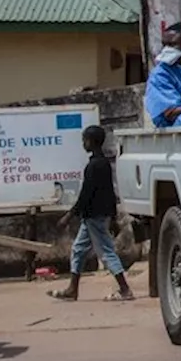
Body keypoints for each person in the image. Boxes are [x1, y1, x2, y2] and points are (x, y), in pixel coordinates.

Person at [48, 126, 133, 302]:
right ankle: (73, 289)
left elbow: (86, 195)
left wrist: (68, 216)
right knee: (78, 250)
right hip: (94, 217)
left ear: (91, 142)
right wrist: (113, 216)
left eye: (84, 140)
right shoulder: (104, 164)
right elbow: (110, 192)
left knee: (107, 252)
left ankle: (125, 289)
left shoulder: (93, 166)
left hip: (95, 217)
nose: (83, 143)